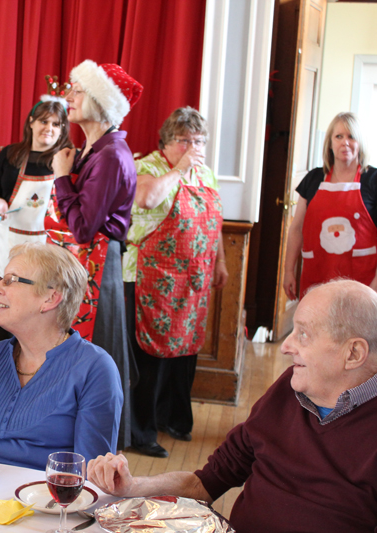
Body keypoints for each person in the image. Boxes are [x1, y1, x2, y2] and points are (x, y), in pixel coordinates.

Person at [88, 279, 377, 532]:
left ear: (354, 353)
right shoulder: (291, 388)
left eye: (303, 334)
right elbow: (204, 482)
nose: (287, 346)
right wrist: (131, 485)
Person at [0, 242, 123, 470]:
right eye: (0, 279)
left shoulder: (95, 368)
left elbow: (90, 477)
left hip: (47, 501)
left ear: (50, 299)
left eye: (11, 280)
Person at [47, 60, 143, 451]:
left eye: (78, 90)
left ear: (102, 102)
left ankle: (96, 450)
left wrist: (60, 177)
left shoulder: (109, 155)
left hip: (98, 269)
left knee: (96, 355)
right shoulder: (95, 149)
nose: (68, 97)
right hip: (88, 268)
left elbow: (84, 228)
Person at [123, 107, 228, 458]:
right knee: (149, 358)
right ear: (167, 142)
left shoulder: (207, 174)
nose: (193, 146)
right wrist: (179, 170)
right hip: (150, 276)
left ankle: (174, 419)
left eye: (199, 140)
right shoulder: (147, 167)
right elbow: (146, 198)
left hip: (194, 278)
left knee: (184, 355)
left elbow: (215, 222)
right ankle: (141, 432)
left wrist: (220, 262)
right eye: (185, 140)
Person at [0, 91, 73, 341]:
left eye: (56, 124)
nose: (49, 128)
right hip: (10, 243)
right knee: (2, 305)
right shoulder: (10, 154)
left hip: (49, 247)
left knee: (41, 307)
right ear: (31, 121)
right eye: (44, 121)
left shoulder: (66, 159)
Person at [284, 111, 377, 302]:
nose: (345, 142)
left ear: (360, 143)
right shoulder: (313, 179)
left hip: (363, 283)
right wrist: (288, 270)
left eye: (351, 136)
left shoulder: (376, 179)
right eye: (339, 136)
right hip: (317, 280)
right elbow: (296, 230)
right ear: (330, 143)